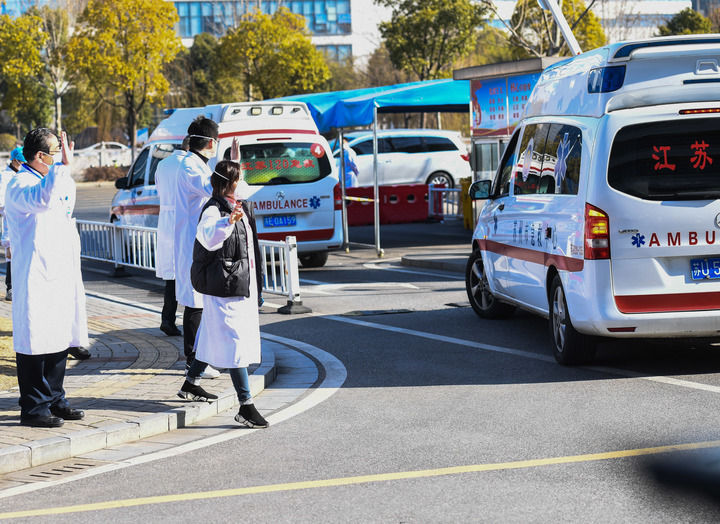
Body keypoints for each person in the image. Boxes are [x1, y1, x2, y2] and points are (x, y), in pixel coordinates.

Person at [5, 129, 88, 427]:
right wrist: (62, 169)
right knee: (36, 339)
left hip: (58, 272)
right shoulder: (19, 184)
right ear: (40, 156)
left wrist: (62, 171)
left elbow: (64, 204)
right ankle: (34, 407)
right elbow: (41, 200)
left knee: (59, 336)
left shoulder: (46, 178)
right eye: (55, 151)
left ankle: (55, 398)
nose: (59, 157)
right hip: (35, 275)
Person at [178, 160, 268, 428]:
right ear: (228, 184)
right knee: (234, 343)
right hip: (224, 287)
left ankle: (190, 384)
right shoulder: (214, 210)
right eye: (238, 178)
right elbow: (208, 237)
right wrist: (227, 222)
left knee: (210, 335)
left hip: (239, 284)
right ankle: (246, 405)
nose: (243, 182)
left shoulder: (238, 204)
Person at [172, 116, 220, 378]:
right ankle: (193, 360)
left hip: (200, 240)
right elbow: (213, 188)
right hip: (192, 241)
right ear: (211, 142)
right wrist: (232, 165)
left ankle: (202, 357)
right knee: (195, 302)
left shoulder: (197, 164)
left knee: (201, 300)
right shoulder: (190, 167)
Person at [155, 136, 190, 337]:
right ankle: (190, 320)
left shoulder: (163, 164)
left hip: (166, 219)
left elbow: (160, 189)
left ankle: (167, 318)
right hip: (183, 219)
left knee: (172, 275)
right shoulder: (189, 165)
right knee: (187, 271)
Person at [0, 146, 25, 302]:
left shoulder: (22, 174)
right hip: (11, 219)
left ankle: (20, 286)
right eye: (21, 161)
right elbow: (1, 201)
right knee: (11, 254)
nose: (23, 164)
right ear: (15, 160)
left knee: (21, 253)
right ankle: (10, 287)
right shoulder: (5, 176)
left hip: (22, 219)